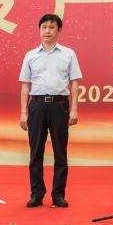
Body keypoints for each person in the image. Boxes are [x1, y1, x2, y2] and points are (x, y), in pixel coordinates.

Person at [19, 13, 82, 207]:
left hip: (59, 105)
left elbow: (74, 83)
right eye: (44, 27)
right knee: (35, 152)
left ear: (59, 30)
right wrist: (23, 113)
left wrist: (74, 109)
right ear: (39, 30)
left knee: (60, 152)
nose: (47, 31)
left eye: (51, 27)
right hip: (37, 105)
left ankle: (58, 194)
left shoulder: (68, 54)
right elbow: (25, 86)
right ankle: (36, 194)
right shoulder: (30, 55)